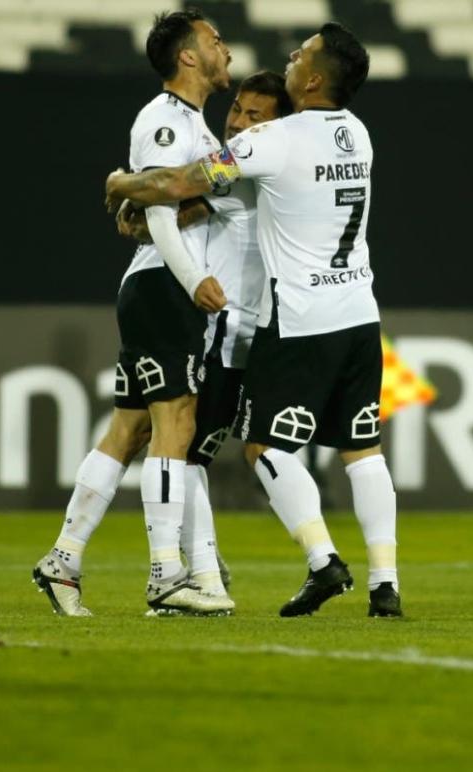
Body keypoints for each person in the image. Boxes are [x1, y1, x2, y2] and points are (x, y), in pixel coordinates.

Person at [105, 23, 403, 619]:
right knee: (363, 449)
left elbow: (176, 181)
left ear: (312, 80)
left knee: (263, 447)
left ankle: (324, 561)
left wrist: (121, 182)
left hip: (300, 318)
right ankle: (385, 585)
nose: (291, 56)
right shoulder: (359, 134)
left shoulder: (272, 140)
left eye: (302, 54)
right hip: (359, 313)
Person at [31, 9, 234, 617]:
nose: (224, 47)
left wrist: (129, 188)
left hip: (156, 287)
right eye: (214, 39)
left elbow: (166, 199)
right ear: (188, 56)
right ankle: (166, 573)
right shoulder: (165, 119)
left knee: (130, 429)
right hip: (166, 287)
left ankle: (63, 560)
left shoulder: (195, 124)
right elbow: (161, 212)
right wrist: (194, 279)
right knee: (177, 423)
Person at [113, 70, 294, 598]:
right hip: (232, 333)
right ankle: (203, 572)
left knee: (184, 448)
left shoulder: (244, 166)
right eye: (236, 108)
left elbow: (169, 190)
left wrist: (120, 184)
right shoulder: (272, 167)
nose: (237, 121)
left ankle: (201, 568)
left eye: (254, 115)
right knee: (186, 448)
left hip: (234, 331)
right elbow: (176, 204)